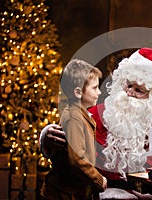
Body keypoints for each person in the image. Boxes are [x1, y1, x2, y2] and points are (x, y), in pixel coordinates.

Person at [40, 47, 152, 189]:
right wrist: (48, 135)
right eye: (128, 85)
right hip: (106, 192)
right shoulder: (101, 113)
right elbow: (68, 136)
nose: (130, 92)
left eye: (139, 90)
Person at [41, 59, 107, 200]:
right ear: (78, 92)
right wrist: (98, 180)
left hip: (74, 191)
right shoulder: (73, 118)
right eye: (95, 88)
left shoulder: (82, 115)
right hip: (64, 193)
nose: (99, 92)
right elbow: (76, 159)